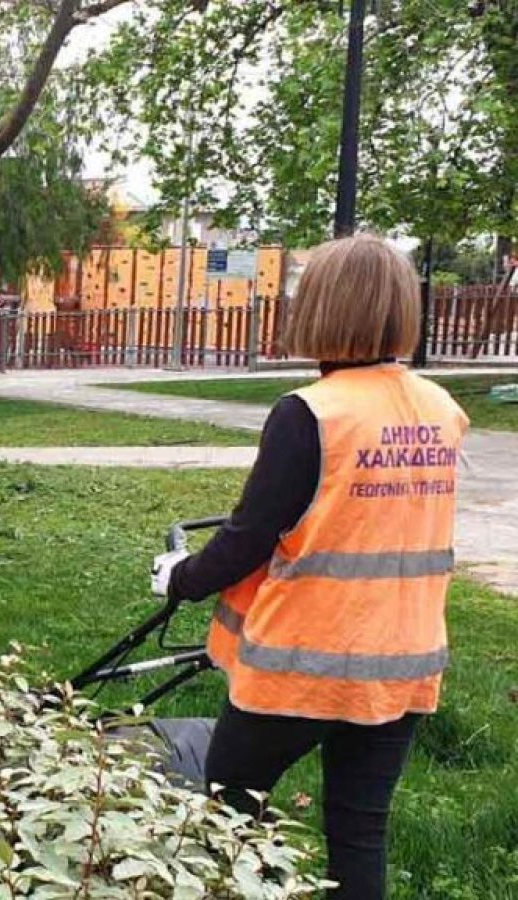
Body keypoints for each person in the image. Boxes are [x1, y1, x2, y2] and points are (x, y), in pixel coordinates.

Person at [151, 234, 468, 899]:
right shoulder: (443, 411)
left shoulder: (310, 414)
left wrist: (179, 577)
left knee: (226, 814)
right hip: (401, 664)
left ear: (323, 308)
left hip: (302, 665)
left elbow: (247, 539)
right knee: (358, 832)